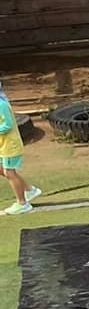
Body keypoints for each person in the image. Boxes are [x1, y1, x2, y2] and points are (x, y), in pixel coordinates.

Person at [0, 78, 38, 216]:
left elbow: (8, 125)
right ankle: (29, 190)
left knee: (9, 172)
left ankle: (22, 204)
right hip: (3, 144)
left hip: (10, 145)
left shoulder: (1, 104)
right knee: (2, 169)